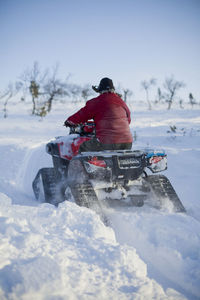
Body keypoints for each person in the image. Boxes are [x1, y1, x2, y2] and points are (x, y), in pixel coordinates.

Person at [64, 77, 133, 152]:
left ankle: (79, 164)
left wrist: (69, 121)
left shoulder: (96, 102)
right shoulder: (121, 102)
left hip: (107, 142)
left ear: (100, 90)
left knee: (81, 147)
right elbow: (128, 120)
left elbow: (81, 115)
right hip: (127, 143)